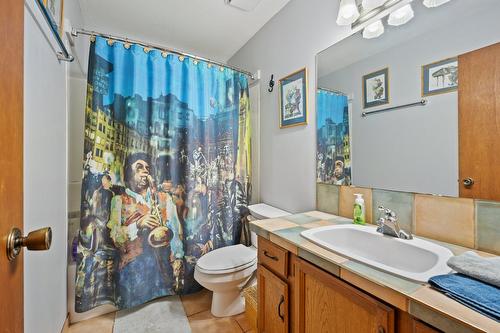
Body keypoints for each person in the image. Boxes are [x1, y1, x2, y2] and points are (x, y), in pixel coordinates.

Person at [107, 152, 184, 308]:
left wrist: (178, 257)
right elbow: (114, 236)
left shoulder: (165, 198)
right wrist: (137, 225)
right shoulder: (118, 201)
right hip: (132, 273)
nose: (145, 171)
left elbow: (176, 231)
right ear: (128, 173)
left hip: (162, 271)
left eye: (147, 168)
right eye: (139, 167)